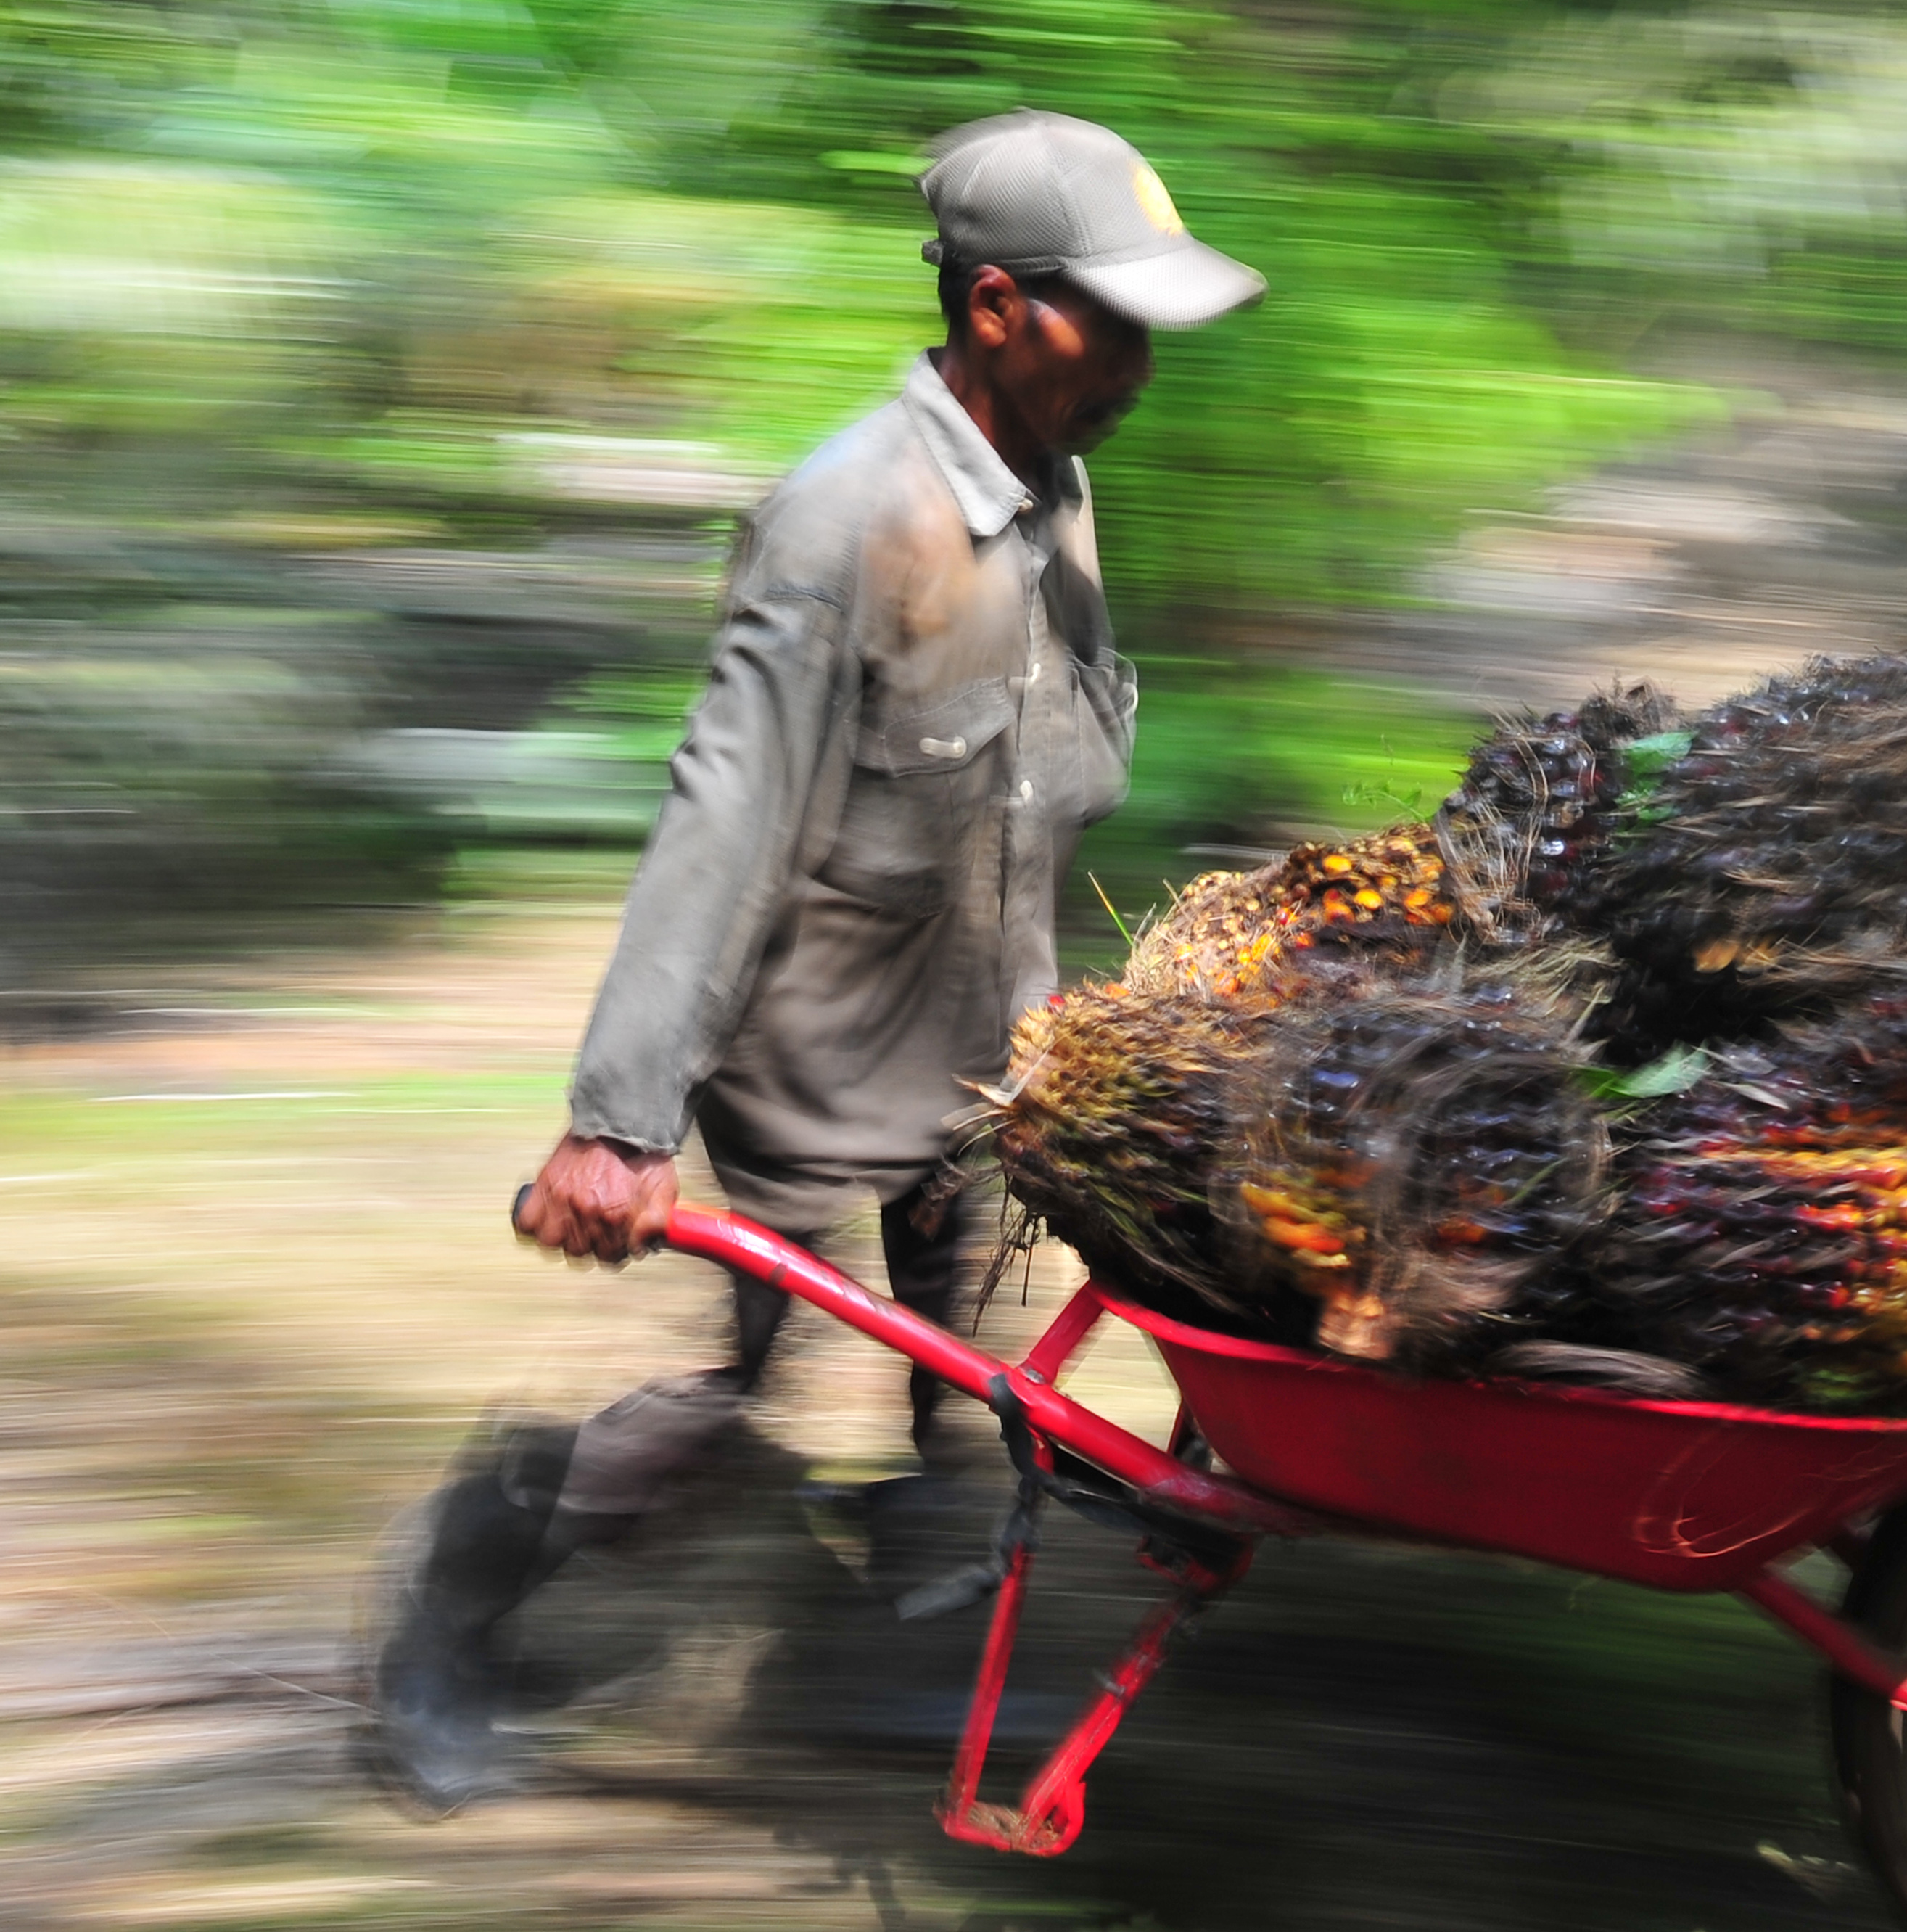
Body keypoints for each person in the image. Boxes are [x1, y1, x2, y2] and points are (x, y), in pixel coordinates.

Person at [366, 108, 1264, 1811]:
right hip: (811, 1060)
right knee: (740, 1386)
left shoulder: (1053, 492)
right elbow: (725, 821)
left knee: (963, 1382)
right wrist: (617, 1125)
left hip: (976, 1045)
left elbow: (1037, 763)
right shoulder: (847, 518)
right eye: (1113, 317)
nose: (1142, 357)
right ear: (996, 308)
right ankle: (460, 1605)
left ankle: (907, 1666)